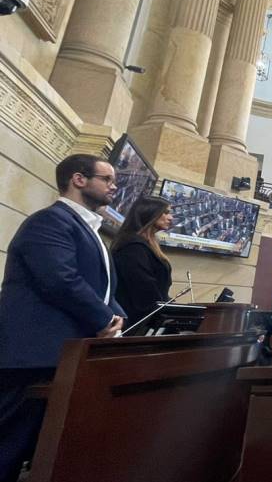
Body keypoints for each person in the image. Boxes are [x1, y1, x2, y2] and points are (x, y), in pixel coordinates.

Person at [0, 154, 126, 482]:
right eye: (107, 179)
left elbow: (103, 288)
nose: (114, 186)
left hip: (61, 355)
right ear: (78, 179)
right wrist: (103, 320)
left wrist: (119, 318)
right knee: (6, 444)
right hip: (31, 356)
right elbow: (60, 279)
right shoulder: (49, 221)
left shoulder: (90, 230)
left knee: (31, 447)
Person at [112, 196, 173, 328]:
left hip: (148, 320)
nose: (170, 218)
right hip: (136, 325)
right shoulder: (133, 247)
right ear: (150, 212)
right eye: (166, 212)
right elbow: (145, 294)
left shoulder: (146, 244)